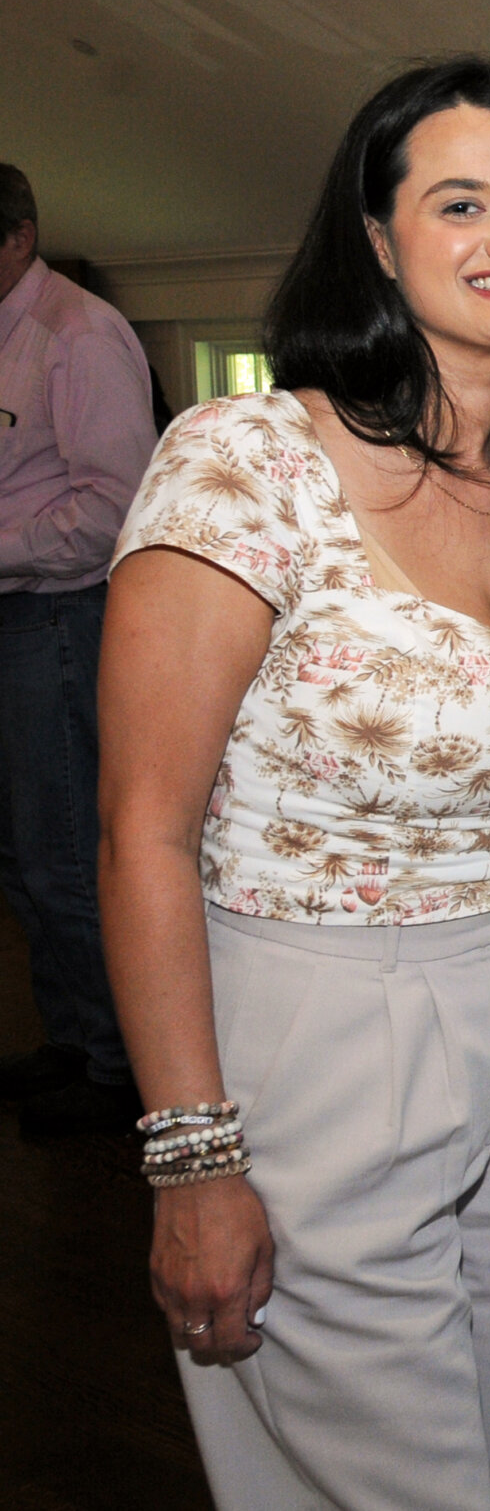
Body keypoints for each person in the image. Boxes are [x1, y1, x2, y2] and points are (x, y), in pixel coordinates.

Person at [95, 59, 490, 1510]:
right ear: (378, 235)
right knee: (380, 1480)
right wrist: (190, 1160)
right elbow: (140, 831)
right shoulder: (249, 461)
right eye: (460, 203)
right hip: (318, 1016)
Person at [0, 162, 157, 1136]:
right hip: (16, 614)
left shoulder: (80, 333)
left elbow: (114, 508)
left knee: (64, 854)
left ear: (17, 236)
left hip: (60, 616)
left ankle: (119, 1070)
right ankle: (72, 1038)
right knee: (19, 858)